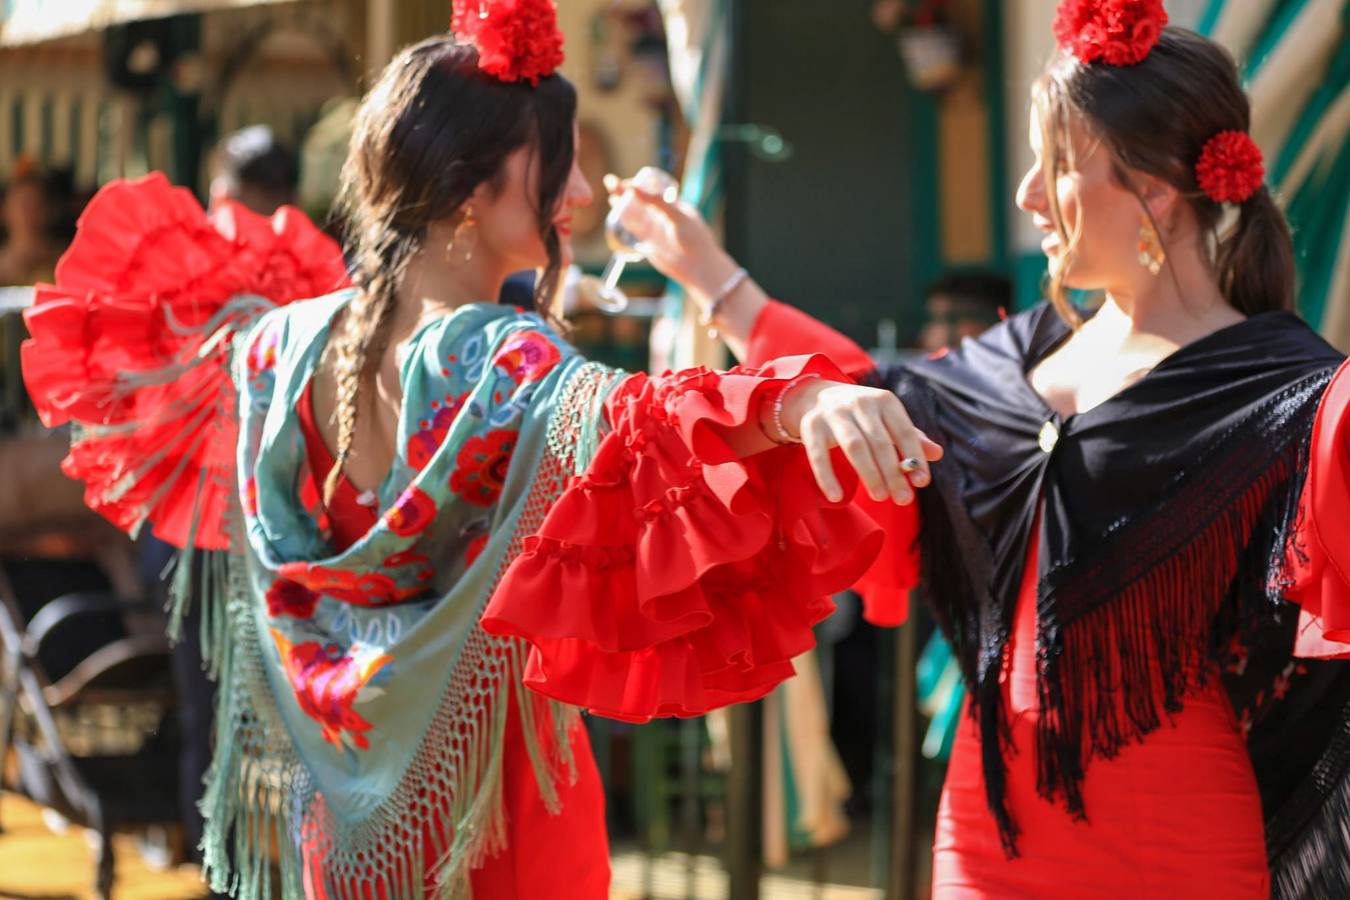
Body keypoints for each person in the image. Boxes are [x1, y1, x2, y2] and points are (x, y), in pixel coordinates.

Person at [19, 3, 937, 897]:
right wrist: (795, 397)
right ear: (470, 191)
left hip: (339, 816)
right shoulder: (500, 354)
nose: (576, 193)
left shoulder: (271, 344)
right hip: (500, 815)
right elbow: (640, 419)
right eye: (556, 165)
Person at [608, 3, 1350, 897]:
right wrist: (710, 277)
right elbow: (867, 398)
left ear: (1155, 188)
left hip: (1178, 842)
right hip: (983, 831)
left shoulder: (1289, 392)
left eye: (1060, 166)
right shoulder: (1012, 362)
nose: (1028, 192)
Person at [0, 157, 62, 286]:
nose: (29, 213)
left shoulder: (61, 261)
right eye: (23, 205)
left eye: (37, 205)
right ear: (5, 211)